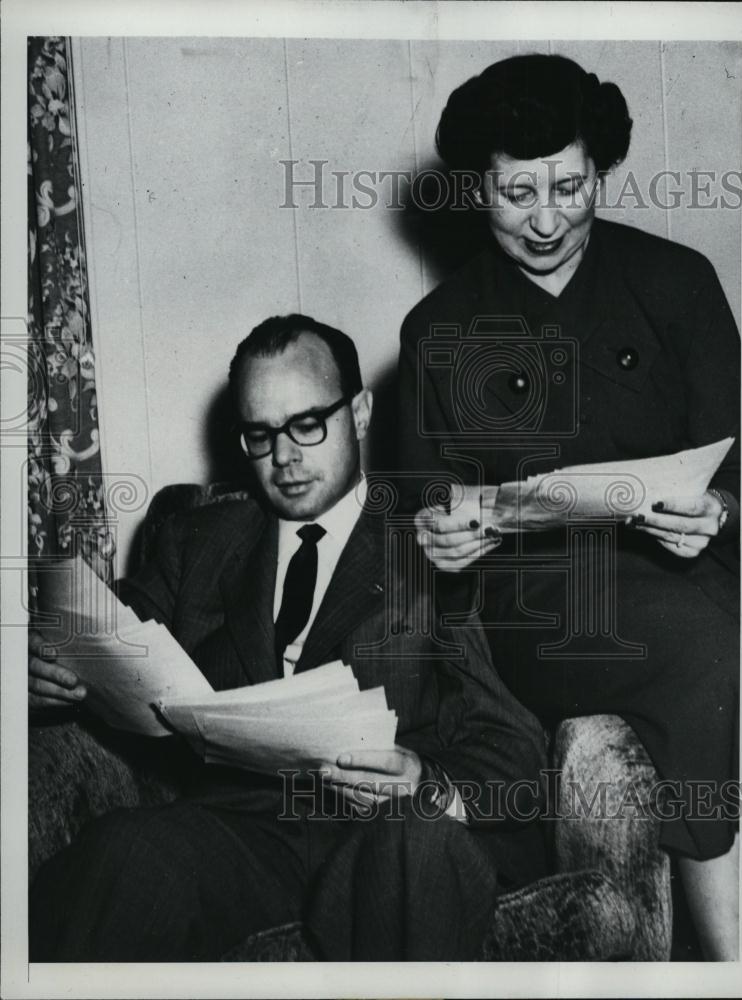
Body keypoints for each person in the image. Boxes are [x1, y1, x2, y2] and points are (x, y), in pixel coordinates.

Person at [28, 314, 548, 962]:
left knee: (416, 843)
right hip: (245, 834)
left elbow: (515, 741)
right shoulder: (197, 542)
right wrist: (45, 664)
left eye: (307, 424)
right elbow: (107, 633)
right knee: (124, 851)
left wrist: (429, 782)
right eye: (260, 434)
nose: (285, 457)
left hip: (384, 833)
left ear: (359, 412)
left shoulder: (433, 544)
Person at [397, 54, 740, 961]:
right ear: (479, 189)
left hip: (698, 565)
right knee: (716, 648)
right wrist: (441, 531)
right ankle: (737, 954)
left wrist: (724, 513)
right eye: (517, 194)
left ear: (601, 173)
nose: (547, 220)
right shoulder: (439, 328)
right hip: (549, 610)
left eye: (570, 186)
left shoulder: (678, 282)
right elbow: (423, 503)